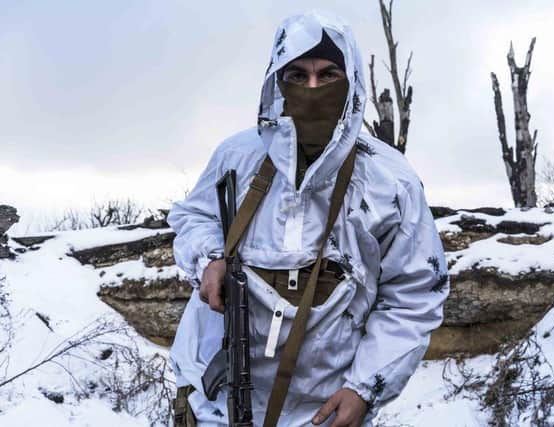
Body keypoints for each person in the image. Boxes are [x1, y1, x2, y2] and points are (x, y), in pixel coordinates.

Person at [167, 10, 449, 427]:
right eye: (297, 75)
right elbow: (193, 216)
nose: (312, 88)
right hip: (214, 405)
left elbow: (413, 296)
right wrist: (209, 257)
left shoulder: (390, 180)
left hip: (323, 415)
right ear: (278, 81)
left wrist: (365, 389)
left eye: (328, 75)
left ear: (351, 80)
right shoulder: (238, 156)